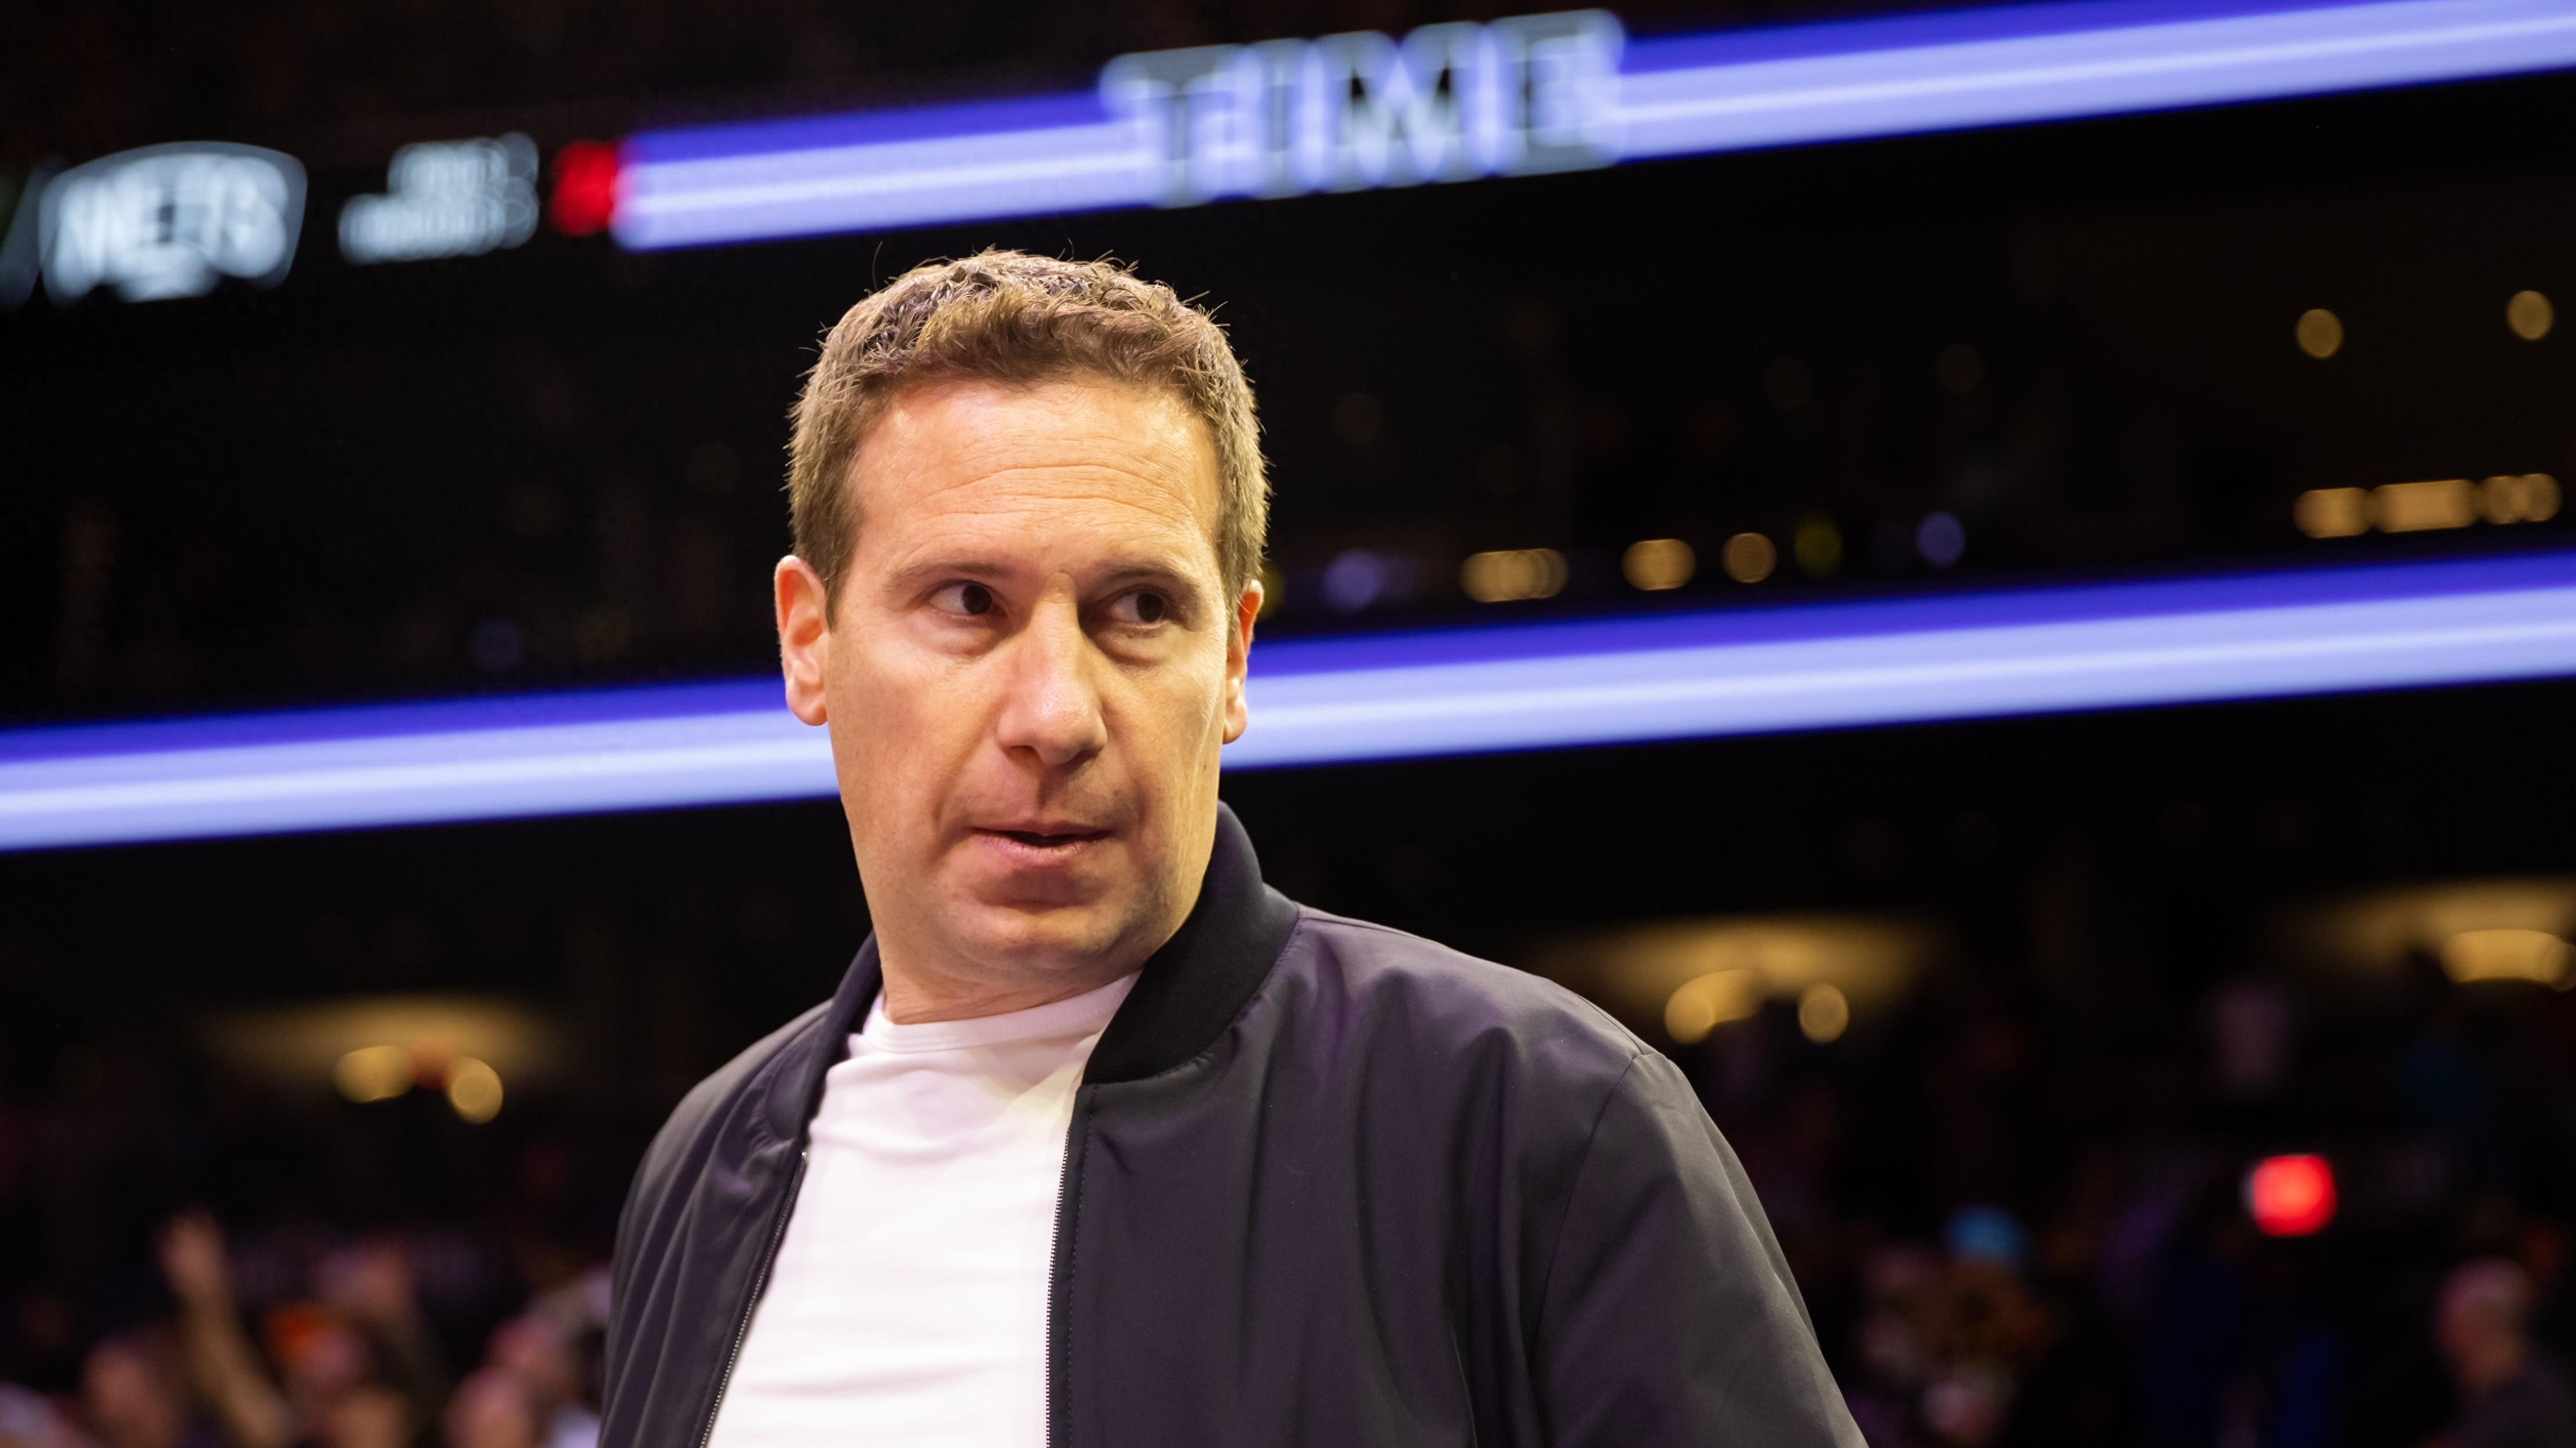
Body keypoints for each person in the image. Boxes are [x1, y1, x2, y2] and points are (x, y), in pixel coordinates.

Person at [601, 250, 1860, 1447]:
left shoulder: (1542, 1117)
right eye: (969, 603)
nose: (1056, 714)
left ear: (1237, 656)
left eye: (1140, 608)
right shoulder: (703, 1168)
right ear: (809, 641)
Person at [2430, 1257, 2576, 1448]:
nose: (2441, 1334)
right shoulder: (2506, 1387)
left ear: (2477, 1325)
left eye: (2449, 1322)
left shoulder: (2527, 1399)